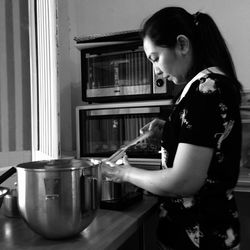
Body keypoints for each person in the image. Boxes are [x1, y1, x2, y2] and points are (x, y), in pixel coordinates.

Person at [102, 6, 242, 250]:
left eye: (155, 58)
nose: (155, 70)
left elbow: (184, 181)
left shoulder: (206, 89)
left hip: (202, 237)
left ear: (182, 45)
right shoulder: (205, 85)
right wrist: (170, 130)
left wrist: (125, 173)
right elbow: (207, 139)